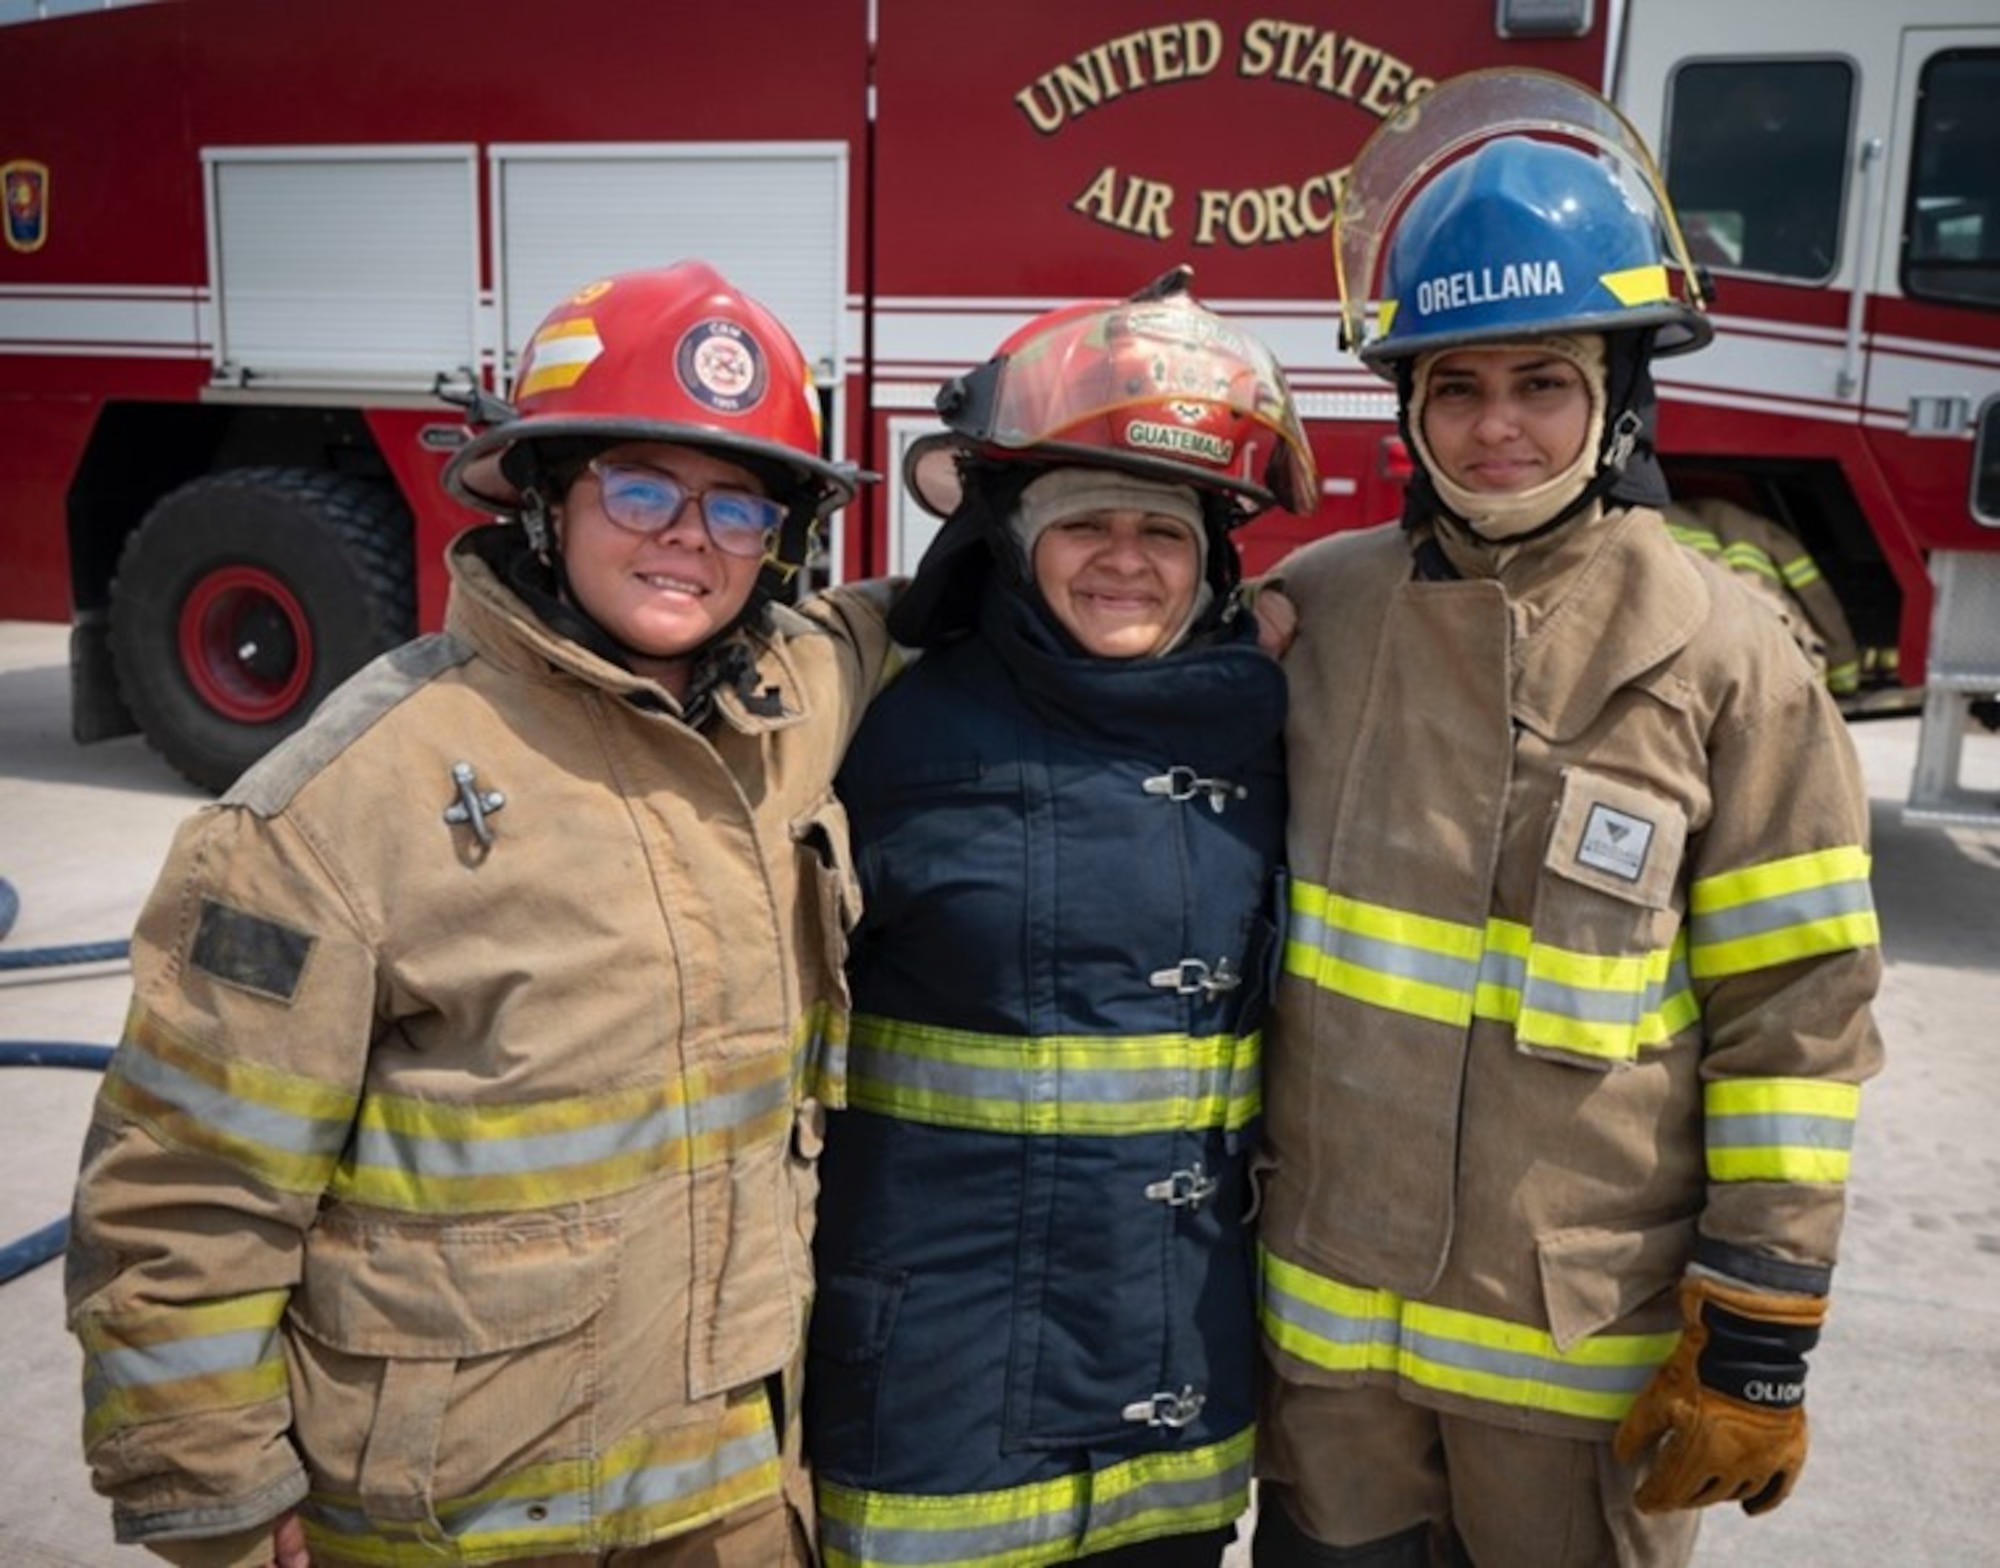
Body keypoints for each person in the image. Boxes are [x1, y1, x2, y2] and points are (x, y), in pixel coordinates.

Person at [63, 260, 894, 1568]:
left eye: (736, 504)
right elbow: (188, 1178)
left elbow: (912, 618)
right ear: (545, 503)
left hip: (732, 1500)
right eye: (639, 488)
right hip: (456, 1518)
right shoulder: (343, 805)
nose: (690, 535)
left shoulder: (784, 707)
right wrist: (207, 1475)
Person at [1250, 72, 1886, 1568]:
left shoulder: (1726, 655)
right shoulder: (1317, 617)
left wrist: (1763, 1322)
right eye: (1455, 388)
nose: (1498, 431)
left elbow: (1797, 1018)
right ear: (1407, 406)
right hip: (1334, 1364)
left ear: (1617, 397)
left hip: (1572, 1369)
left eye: (1542, 383)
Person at [803, 270, 1318, 1567]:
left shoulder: (1270, 728)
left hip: (1169, 1378)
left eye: (1166, 532)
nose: (1127, 561)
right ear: (1010, 543)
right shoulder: (880, 720)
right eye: (1087, 524)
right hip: (939, 1385)